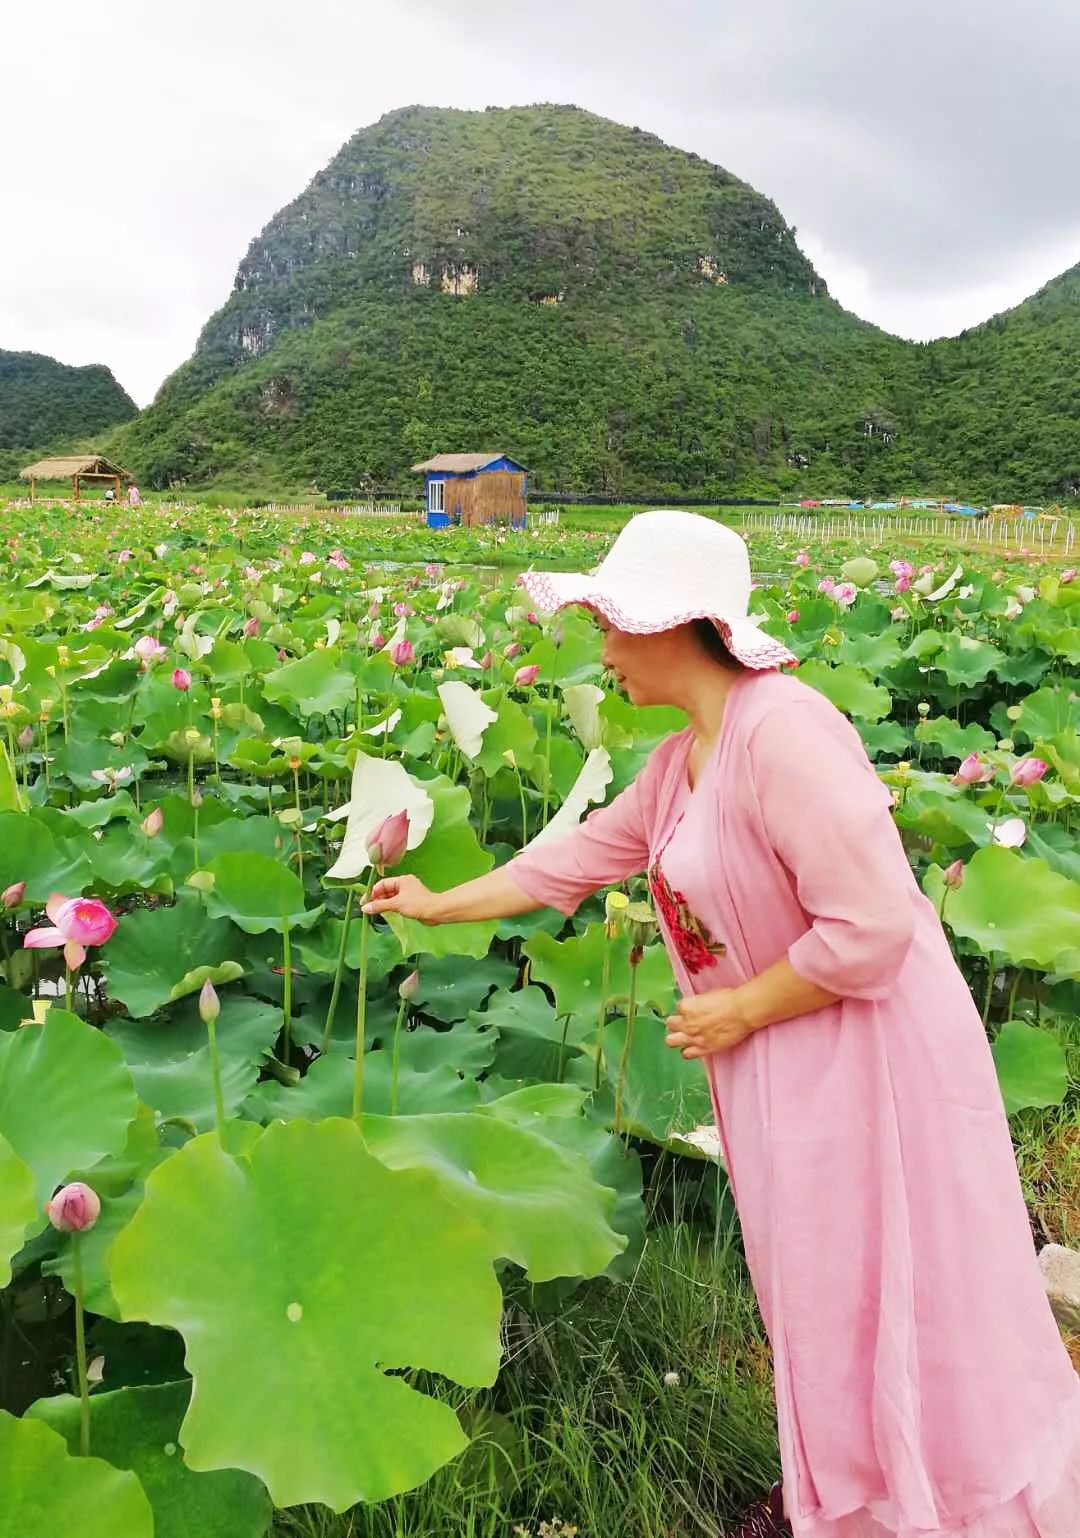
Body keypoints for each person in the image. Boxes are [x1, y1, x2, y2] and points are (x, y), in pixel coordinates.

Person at [364, 509, 1080, 1538]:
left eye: (615, 618)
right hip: (783, 1058)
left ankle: (951, 1504)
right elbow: (571, 858)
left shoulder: (784, 731)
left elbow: (873, 927)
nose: (602, 646)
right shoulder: (683, 759)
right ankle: (855, 1496)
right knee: (822, 1291)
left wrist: (739, 1005)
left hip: (870, 1057)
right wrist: (438, 903)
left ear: (679, 624)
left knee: (899, 1281)